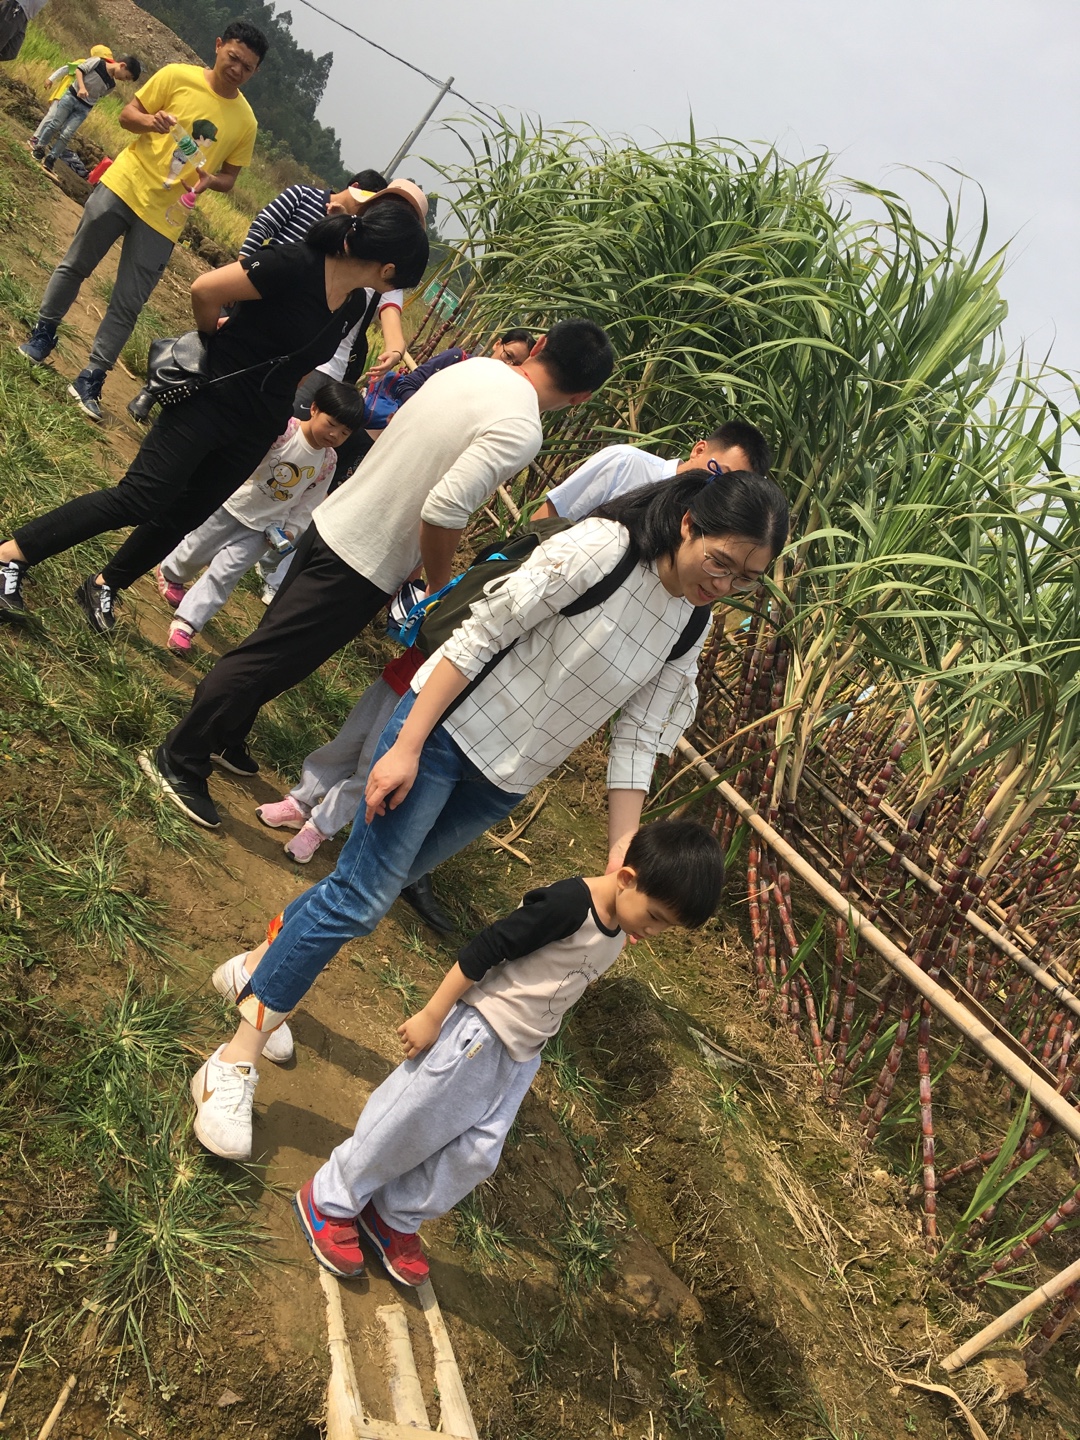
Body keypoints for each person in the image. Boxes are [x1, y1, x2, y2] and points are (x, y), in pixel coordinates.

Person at [186, 467, 790, 1159]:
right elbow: (479, 635)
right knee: (360, 899)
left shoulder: (689, 624)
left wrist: (623, 854)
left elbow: (638, 738)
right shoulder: (602, 549)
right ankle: (232, 1060)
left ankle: (257, 969)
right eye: (720, 562)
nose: (724, 585)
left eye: (746, 579)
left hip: (503, 780)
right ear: (689, 524)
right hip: (442, 737)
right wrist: (406, 743)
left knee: (362, 888)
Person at [136, 319, 615, 831]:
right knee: (267, 659)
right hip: (364, 559)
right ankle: (180, 757)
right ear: (581, 398)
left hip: (335, 520)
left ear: (538, 345)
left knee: (273, 646)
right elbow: (446, 508)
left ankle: (225, 732)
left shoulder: (474, 368)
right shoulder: (521, 427)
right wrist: (438, 585)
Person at [290, 820, 725, 1283]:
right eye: (656, 916)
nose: (655, 931)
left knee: (476, 1153)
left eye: (667, 926)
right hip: (479, 1033)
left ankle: (393, 1215)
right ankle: (330, 1198)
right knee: (410, 1119)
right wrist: (433, 1014)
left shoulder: (618, 927)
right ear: (627, 879)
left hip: (521, 1055)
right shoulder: (568, 905)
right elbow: (487, 948)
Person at [0, 192, 430, 634]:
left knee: (185, 514)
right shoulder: (294, 263)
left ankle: (106, 584)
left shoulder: (353, 305)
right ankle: (12, 555)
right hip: (212, 398)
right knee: (140, 497)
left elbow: (302, 364)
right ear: (388, 269)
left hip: (258, 424)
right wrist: (212, 340)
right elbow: (205, 289)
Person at [16, 19, 267, 422]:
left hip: (166, 217)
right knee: (76, 264)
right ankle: (42, 335)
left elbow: (230, 178)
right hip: (122, 185)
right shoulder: (177, 76)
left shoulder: (246, 122)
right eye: (233, 57)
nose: (237, 69)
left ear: (255, 72)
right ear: (219, 46)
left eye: (247, 67)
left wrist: (210, 181)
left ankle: (92, 377)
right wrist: (151, 122)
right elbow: (127, 115)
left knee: (128, 302)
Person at [156, 378, 363, 656]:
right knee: (197, 548)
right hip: (231, 505)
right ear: (314, 408)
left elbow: (308, 502)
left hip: (264, 530)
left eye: (345, 432)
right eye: (331, 424)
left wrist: (291, 530)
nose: (335, 435)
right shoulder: (285, 430)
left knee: (225, 575)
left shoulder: (328, 461)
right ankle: (172, 572)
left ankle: (187, 623)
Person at [533, 419, 773, 521]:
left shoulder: (697, 522)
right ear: (699, 450)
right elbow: (548, 519)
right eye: (719, 472)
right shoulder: (624, 464)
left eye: (729, 485)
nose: (717, 485)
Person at [32, 52, 141, 175]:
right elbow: (79, 70)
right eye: (126, 77)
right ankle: (39, 147)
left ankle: (51, 159)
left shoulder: (111, 85)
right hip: (71, 97)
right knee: (55, 124)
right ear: (122, 66)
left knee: (67, 134)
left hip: (84, 108)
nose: (124, 80)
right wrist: (82, 87)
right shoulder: (98, 62)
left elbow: (100, 94)